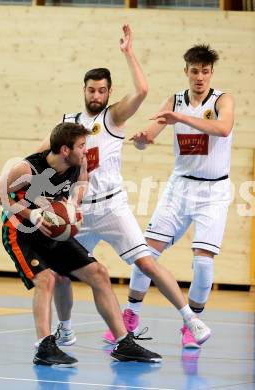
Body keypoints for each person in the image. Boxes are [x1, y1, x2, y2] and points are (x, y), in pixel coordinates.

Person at [38, 25, 211, 348]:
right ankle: (65, 328)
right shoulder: (69, 122)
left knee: (146, 262)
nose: (96, 96)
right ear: (84, 90)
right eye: (91, 90)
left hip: (112, 207)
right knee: (59, 273)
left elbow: (143, 91)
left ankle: (191, 319)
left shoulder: (112, 118)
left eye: (101, 91)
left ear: (108, 92)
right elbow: (40, 152)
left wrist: (128, 52)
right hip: (78, 211)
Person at [0, 122, 162, 367]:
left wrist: (73, 208)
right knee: (46, 279)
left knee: (99, 273)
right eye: (81, 146)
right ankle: (44, 347)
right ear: (64, 150)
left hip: (52, 230)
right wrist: (33, 215)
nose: (86, 150)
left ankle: (123, 342)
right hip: (21, 230)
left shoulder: (78, 163)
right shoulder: (27, 168)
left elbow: (81, 184)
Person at [120, 43, 234, 349]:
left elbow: (222, 129)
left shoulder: (223, 100)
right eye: (194, 71)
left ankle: (192, 323)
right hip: (180, 187)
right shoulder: (174, 100)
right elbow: (152, 131)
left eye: (205, 72)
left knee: (203, 263)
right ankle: (130, 316)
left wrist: (181, 119)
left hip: (214, 190)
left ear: (211, 73)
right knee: (145, 253)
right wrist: (143, 140)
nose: (199, 77)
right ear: (186, 72)